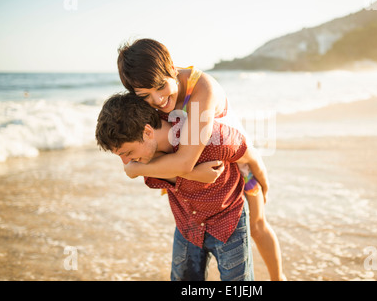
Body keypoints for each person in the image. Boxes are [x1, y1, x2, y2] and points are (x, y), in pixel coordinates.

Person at [117, 38, 285, 281]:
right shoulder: (147, 92)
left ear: (171, 68)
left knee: (257, 226)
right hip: (200, 171)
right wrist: (136, 164)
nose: (157, 100)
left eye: (161, 87)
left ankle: (279, 278)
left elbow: (185, 162)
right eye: (145, 95)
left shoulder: (202, 90)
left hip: (239, 160)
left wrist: (138, 170)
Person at [96, 92, 260, 281]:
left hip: (228, 222)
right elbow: (167, 169)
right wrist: (192, 173)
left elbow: (248, 153)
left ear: (148, 132)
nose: (126, 162)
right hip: (187, 225)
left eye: (127, 152)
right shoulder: (145, 159)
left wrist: (262, 182)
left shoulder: (209, 137)